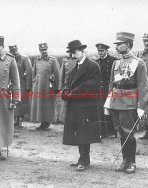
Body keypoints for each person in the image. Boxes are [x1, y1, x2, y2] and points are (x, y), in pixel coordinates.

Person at [105, 32, 148, 173]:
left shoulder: (138, 63)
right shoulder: (116, 63)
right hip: (116, 102)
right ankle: (125, 160)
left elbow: (143, 86)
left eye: (119, 44)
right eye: (117, 44)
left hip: (129, 102)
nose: (117, 46)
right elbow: (111, 84)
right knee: (121, 133)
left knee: (128, 133)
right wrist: (108, 102)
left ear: (128, 45)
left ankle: (132, 163)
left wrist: (141, 106)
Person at [61, 40, 102, 172]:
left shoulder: (93, 66)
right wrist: (66, 90)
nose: (73, 56)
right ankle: (83, 158)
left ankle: (84, 160)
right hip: (75, 104)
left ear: (82, 51)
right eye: (71, 53)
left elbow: (90, 85)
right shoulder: (75, 67)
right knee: (78, 131)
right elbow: (68, 82)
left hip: (86, 105)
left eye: (75, 52)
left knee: (84, 132)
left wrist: (71, 93)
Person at [30, 43, 60, 130]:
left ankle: (47, 122)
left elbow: (57, 74)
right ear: (40, 51)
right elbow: (34, 74)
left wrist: (57, 88)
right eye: (42, 50)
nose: (44, 51)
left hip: (48, 86)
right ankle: (42, 122)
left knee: (48, 104)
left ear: (47, 49)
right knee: (40, 104)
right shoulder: (37, 60)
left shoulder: (52, 60)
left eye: (45, 50)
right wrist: (33, 85)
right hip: (38, 86)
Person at [95, 43, 118, 138]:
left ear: (106, 51)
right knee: (101, 111)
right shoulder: (96, 62)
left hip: (111, 89)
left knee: (111, 110)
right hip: (100, 90)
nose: (100, 53)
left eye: (102, 51)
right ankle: (103, 132)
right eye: (99, 51)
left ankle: (113, 132)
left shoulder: (114, 61)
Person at [9, 45, 32, 128]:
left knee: (22, 103)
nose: (14, 53)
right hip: (12, 84)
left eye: (15, 51)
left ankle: (21, 120)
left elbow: (29, 72)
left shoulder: (24, 59)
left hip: (22, 84)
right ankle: (16, 120)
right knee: (13, 102)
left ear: (17, 50)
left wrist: (28, 86)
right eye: (12, 52)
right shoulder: (9, 59)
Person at [58, 50, 77, 123]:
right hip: (67, 86)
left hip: (76, 86)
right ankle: (66, 122)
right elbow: (62, 73)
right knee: (65, 106)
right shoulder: (65, 59)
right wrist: (60, 87)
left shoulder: (78, 59)